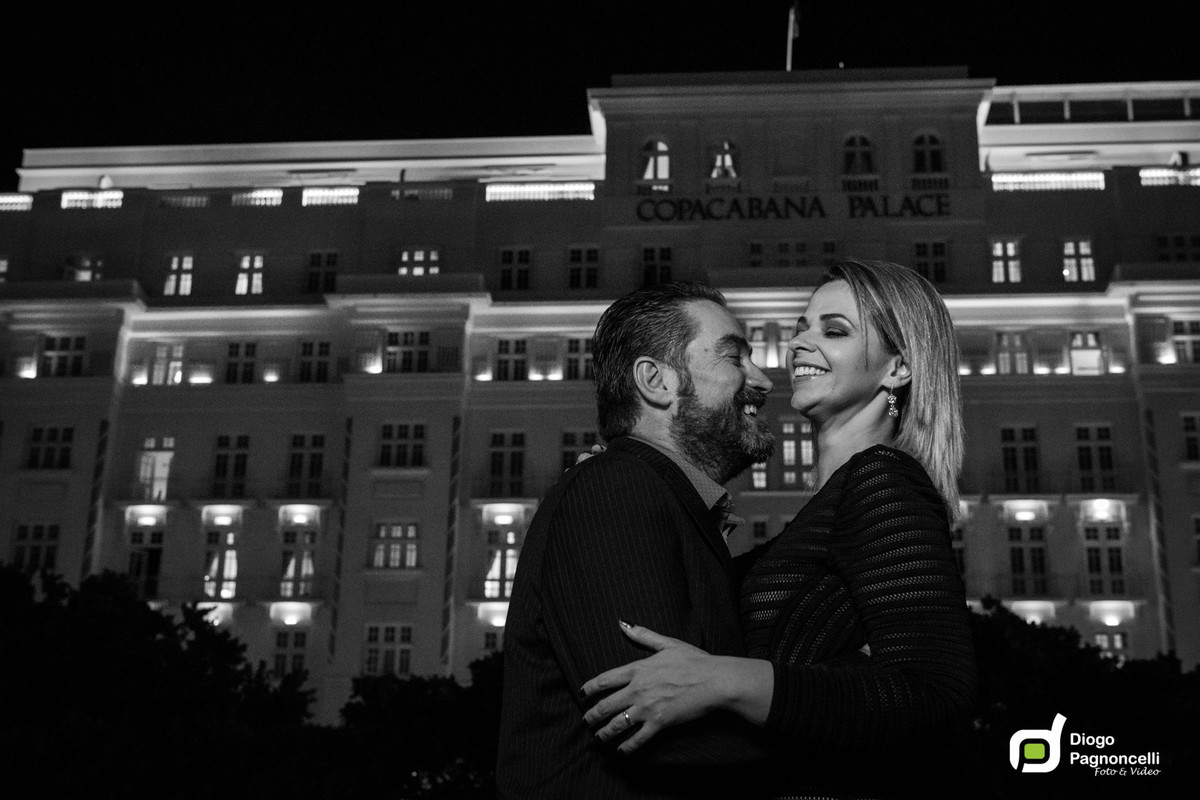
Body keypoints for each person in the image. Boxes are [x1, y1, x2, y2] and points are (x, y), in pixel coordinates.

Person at [581, 259, 978, 799]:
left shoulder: (883, 481)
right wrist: (636, 488)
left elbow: (936, 695)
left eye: (834, 331)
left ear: (898, 369)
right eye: (800, 329)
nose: (800, 345)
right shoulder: (833, 505)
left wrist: (724, 682)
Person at [496, 281, 782, 799]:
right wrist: (858, 718)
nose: (762, 380)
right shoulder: (616, 487)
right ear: (657, 381)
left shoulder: (661, 498)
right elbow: (656, 732)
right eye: (735, 357)